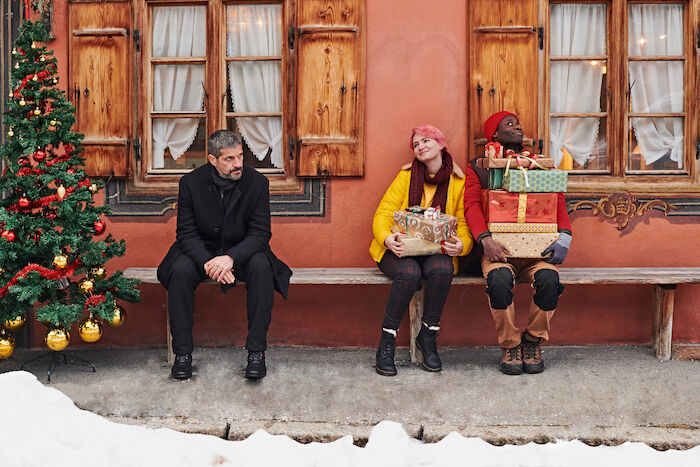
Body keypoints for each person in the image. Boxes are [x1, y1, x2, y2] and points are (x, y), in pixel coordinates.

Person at [157, 130, 292, 380]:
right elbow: (186, 233)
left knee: (263, 267)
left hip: (242, 250)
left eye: (240, 156)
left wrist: (230, 259)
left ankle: (256, 353)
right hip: (202, 251)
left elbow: (260, 234)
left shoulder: (257, 183)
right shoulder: (190, 183)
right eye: (229, 158)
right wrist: (209, 263)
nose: (238, 163)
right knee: (180, 271)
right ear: (212, 159)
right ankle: (183, 355)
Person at [463, 111, 572, 375]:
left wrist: (564, 236)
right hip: (499, 251)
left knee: (549, 282)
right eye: (509, 124)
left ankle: (533, 341)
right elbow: (471, 205)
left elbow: (555, 199)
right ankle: (510, 345)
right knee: (499, 281)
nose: (517, 127)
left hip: (537, 252)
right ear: (495, 134)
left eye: (518, 123)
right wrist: (485, 239)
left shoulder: (539, 164)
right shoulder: (479, 166)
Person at [369, 125, 473, 376]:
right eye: (416, 144)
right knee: (409, 272)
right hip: (400, 249)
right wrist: (386, 238)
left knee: (442, 268)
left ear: (441, 144)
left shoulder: (458, 181)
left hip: (435, 250)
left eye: (426, 141)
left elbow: (462, 221)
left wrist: (462, 245)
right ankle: (387, 342)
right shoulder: (406, 176)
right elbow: (383, 213)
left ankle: (428, 337)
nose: (420, 147)